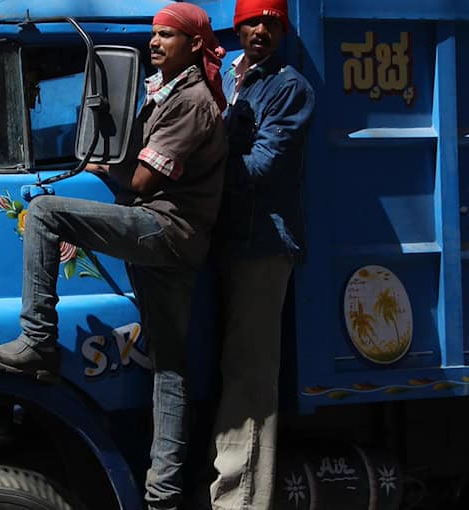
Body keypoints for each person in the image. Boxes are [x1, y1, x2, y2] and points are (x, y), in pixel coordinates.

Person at [0, 4, 228, 509]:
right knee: (170, 367)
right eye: (153, 35)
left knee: (44, 212)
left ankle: (38, 340)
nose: (154, 43)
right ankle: (164, 496)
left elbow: (141, 181)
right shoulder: (165, 94)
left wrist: (99, 162)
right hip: (174, 236)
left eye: (167, 36)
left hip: (167, 228)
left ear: (195, 45)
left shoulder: (192, 101)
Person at [205, 0, 315, 508]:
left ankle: (242, 502)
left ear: (283, 30)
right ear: (238, 27)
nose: (261, 31)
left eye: (272, 23)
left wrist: (192, 178)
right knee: (231, 368)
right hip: (230, 239)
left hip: (264, 245)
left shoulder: (288, 86)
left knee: (250, 379)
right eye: (253, 22)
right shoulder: (231, 78)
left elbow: (264, 163)